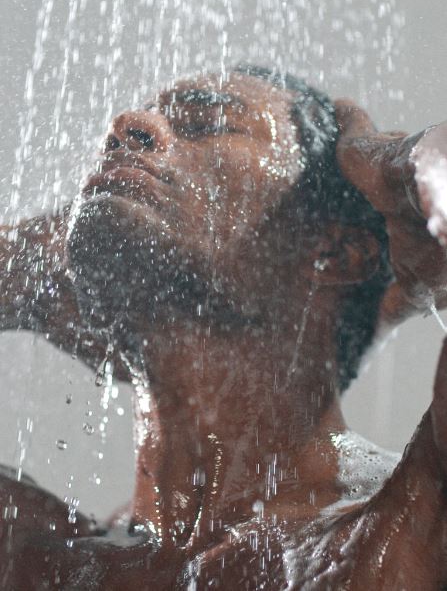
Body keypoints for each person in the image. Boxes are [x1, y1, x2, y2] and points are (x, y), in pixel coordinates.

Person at [1, 64, 447, 589]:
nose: (126, 125)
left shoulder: (409, 521)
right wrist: (23, 267)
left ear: (334, 251)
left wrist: (389, 163)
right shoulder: (43, 557)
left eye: (205, 124)